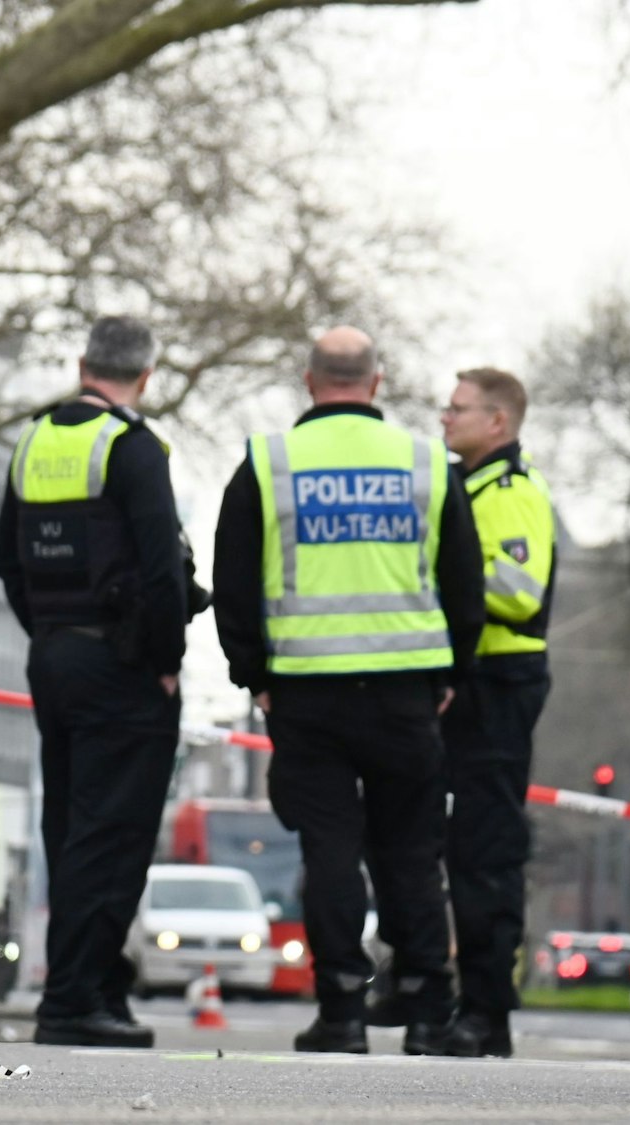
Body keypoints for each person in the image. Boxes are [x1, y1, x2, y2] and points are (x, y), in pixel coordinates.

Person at [213, 326, 485, 1055]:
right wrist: (449, 676)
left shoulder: (269, 463)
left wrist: (255, 677)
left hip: (307, 695)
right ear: (377, 381)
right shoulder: (427, 464)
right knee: (410, 853)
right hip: (406, 694)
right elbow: (466, 582)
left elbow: (233, 580)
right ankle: (429, 1011)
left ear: (310, 382)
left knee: (330, 852)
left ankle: (340, 1011)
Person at [0, 315, 199, 1049]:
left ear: (84, 364)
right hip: (124, 668)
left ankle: (88, 988)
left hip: (53, 657)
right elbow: (160, 571)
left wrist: (49, 633)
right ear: (145, 377)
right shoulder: (133, 447)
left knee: (72, 828)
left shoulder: (34, 439)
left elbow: (8, 564)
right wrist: (167, 661)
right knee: (114, 835)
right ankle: (77, 1000)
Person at [423, 366, 558, 1058]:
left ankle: (485, 1012)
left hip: (499, 680)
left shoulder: (509, 492)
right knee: (451, 843)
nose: (445, 419)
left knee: (485, 849)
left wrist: (439, 574)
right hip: (472, 679)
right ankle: (451, 997)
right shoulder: (469, 486)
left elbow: (519, 589)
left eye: (458, 409)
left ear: (497, 422)